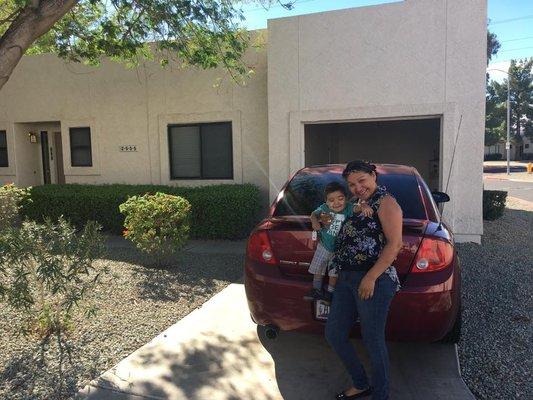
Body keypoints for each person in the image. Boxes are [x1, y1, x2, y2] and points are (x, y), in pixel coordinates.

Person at [325, 160, 403, 400]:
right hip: (346, 278)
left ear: (373, 176)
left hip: (374, 280)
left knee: (372, 340)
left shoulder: (386, 202)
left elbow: (395, 244)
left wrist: (369, 278)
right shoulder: (355, 204)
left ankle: (380, 395)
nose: (358, 187)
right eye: (352, 184)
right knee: (335, 334)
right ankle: (361, 383)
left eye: (362, 181)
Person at [304, 181, 373, 303]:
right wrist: (314, 221)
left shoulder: (348, 208)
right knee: (318, 268)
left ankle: (330, 292)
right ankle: (316, 290)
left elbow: (358, 208)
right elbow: (313, 214)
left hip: (339, 249)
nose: (336, 203)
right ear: (326, 201)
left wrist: (364, 205)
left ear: (346, 199)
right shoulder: (324, 208)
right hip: (324, 245)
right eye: (331, 200)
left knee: (333, 273)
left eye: (340, 198)